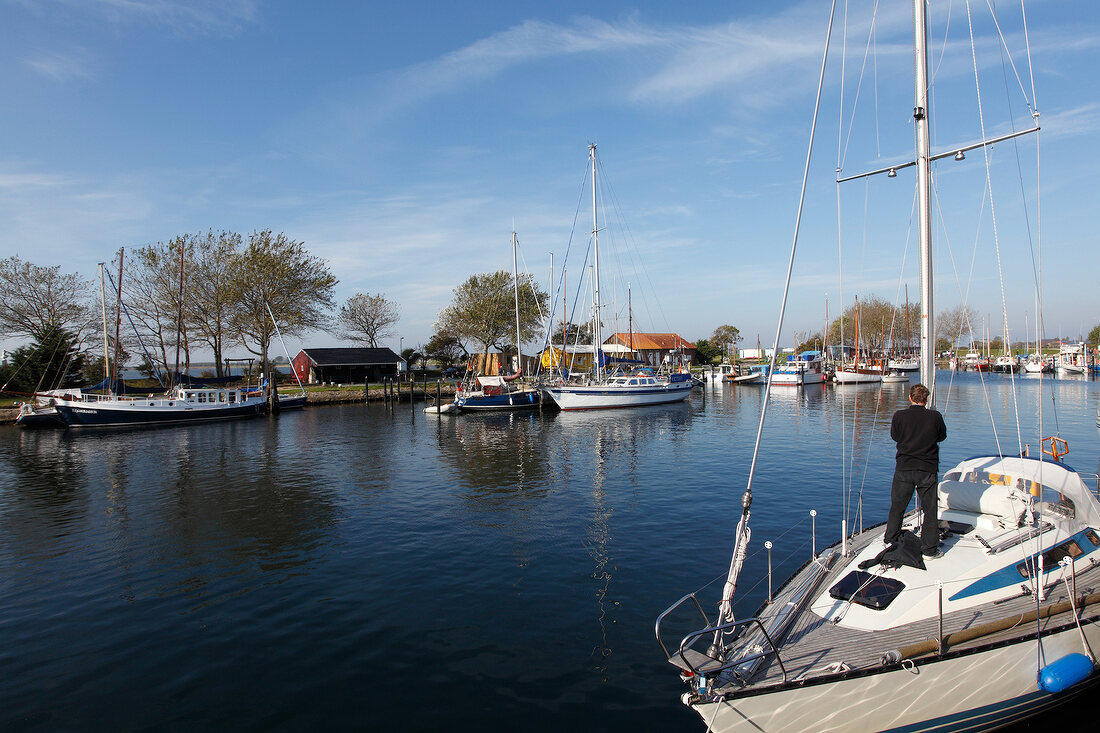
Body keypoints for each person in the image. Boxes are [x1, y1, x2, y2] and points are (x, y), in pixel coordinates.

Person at [885, 383, 947, 558]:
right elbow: (941, 436)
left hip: (904, 468)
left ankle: (891, 539)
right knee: (929, 510)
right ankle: (929, 549)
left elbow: (895, 436)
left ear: (910, 398)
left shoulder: (899, 416)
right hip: (927, 469)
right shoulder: (935, 417)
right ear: (927, 399)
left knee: (897, 507)